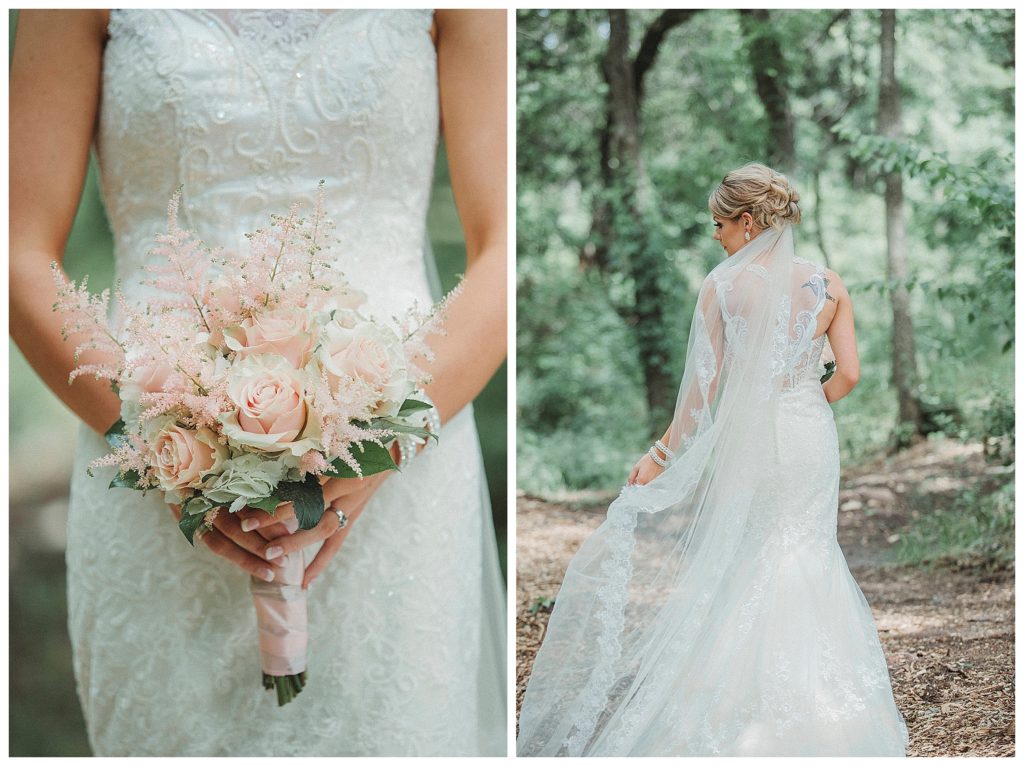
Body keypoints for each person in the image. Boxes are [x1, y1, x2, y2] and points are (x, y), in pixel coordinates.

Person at [10, 9, 506, 756]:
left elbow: (504, 248)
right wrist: (166, 444)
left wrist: (381, 443)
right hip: (151, 454)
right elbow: (18, 248)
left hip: (397, 460)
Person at [517, 163, 909, 756]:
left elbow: (700, 397)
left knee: (753, 555)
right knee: (807, 551)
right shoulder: (829, 284)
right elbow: (849, 375)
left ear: (747, 221)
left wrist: (659, 455)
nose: (716, 236)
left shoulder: (722, 287)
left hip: (750, 442)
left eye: (720, 225)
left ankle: (740, 705)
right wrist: (803, 399)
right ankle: (821, 710)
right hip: (809, 436)